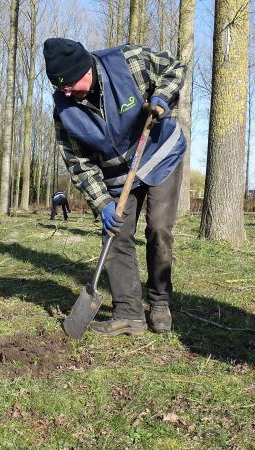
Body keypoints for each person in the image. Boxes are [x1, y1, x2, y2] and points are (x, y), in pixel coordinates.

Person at [43, 38, 186, 337]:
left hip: (159, 154)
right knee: (116, 236)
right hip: (117, 175)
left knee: (158, 229)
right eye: (58, 86)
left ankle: (159, 303)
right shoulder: (64, 110)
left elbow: (174, 68)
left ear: (85, 69)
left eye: (68, 83)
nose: (64, 91)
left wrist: (162, 95)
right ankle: (129, 314)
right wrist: (102, 203)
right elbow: (79, 163)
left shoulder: (126, 61)